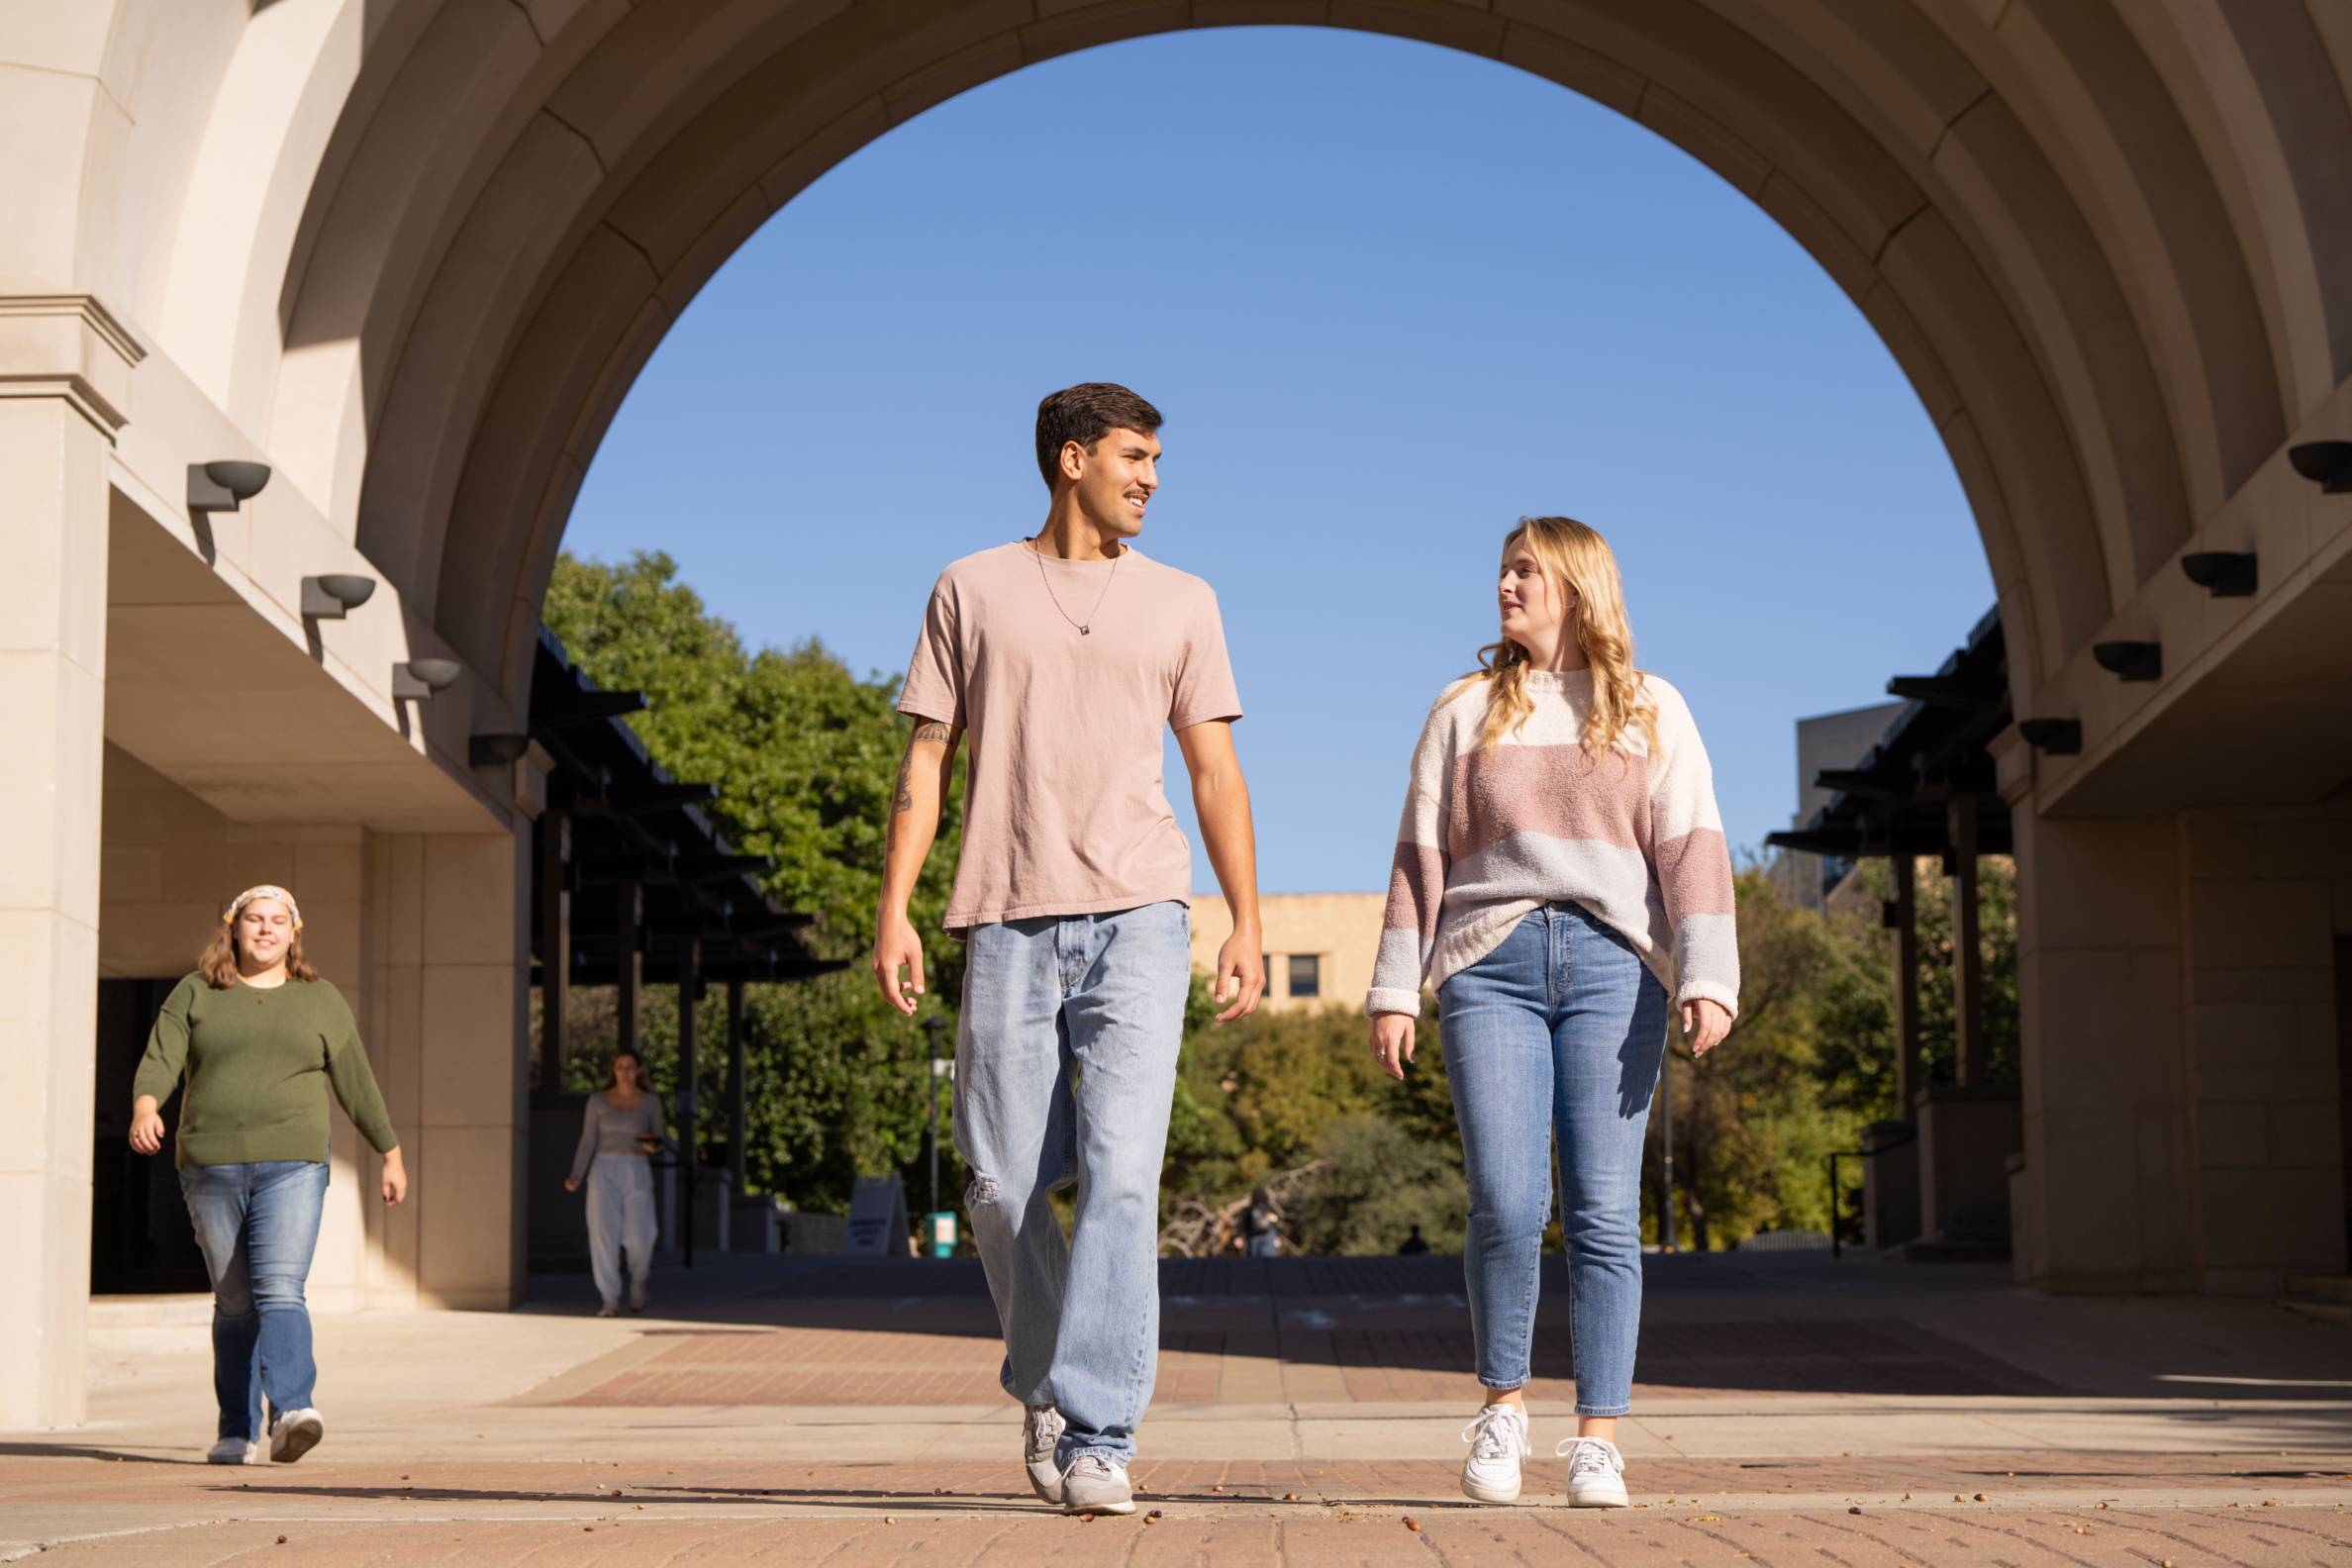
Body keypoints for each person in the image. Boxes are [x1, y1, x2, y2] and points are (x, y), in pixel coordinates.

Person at [873, 382, 1265, 1517]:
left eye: (1157, 461)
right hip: (1004, 911)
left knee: (1124, 1178)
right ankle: (1043, 1380)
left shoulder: (1184, 600)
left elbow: (1213, 772)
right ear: (1071, 458)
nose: (1150, 478)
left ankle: (1100, 1432)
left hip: (1143, 912)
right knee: (1000, 1186)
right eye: (1134, 457)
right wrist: (896, 909)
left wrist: (1248, 916)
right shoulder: (971, 587)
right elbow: (925, 763)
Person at [1364, 517, 1737, 1510]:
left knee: (1607, 1215)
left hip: (1618, 969)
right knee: (1507, 1200)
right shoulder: (1464, 709)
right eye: (1502, 569)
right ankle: (1502, 1410)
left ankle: (1599, 1438)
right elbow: (1420, 857)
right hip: (1490, 965)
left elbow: (1694, 847)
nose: (1506, 584)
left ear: (1578, 584)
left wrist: (1707, 975)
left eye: (1527, 570)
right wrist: (1396, 988)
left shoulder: (1653, 708)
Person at [129, 886, 407, 1467]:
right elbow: (162, 1057)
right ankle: (236, 1427)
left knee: (280, 1288)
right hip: (210, 1162)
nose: (265, 930)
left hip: (294, 1162)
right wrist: (147, 1105)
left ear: (293, 933)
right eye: (254, 920)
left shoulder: (319, 998)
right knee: (234, 1302)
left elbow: (355, 1079)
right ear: (233, 929)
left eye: (278, 921)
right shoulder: (197, 992)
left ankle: (292, 1411)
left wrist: (390, 1150)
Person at [564, 1048, 666, 1317]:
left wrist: (652, 1146)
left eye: (630, 1066)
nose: (625, 1072)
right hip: (603, 1168)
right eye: (620, 1067)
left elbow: (660, 1137)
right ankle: (609, 1298)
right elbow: (588, 1140)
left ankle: (638, 1280)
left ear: (638, 1070)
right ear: (613, 1070)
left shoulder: (650, 1101)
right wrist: (577, 1173)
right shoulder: (597, 1101)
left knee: (640, 1235)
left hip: (636, 1167)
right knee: (602, 1234)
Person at [1242, 1187, 1281, 1258]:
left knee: (1254, 1260)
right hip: (1268, 1236)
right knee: (1267, 1260)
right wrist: (1277, 1237)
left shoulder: (1250, 1208)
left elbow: (1244, 1224)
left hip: (1253, 1237)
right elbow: (1274, 1224)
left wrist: (1241, 1236)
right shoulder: (1269, 1207)